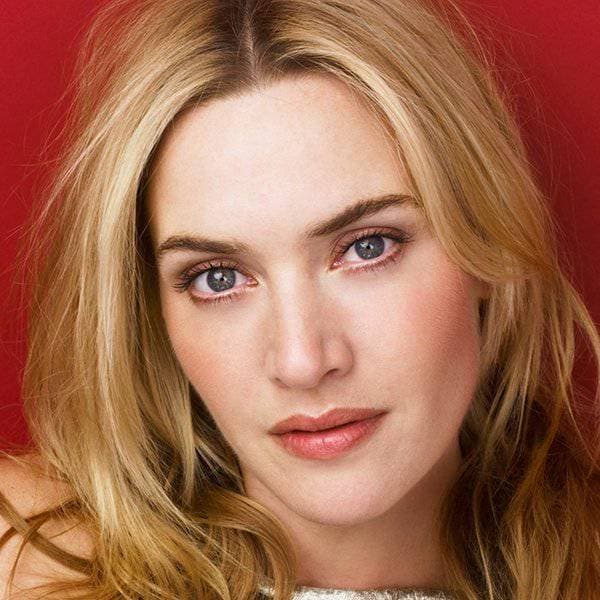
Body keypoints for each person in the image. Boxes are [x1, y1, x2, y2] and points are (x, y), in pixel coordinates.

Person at [0, 0, 598, 598]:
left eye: (367, 247)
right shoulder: (24, 564)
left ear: (486, 241)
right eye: (218, 278)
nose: (302, 362)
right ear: (152, 309)